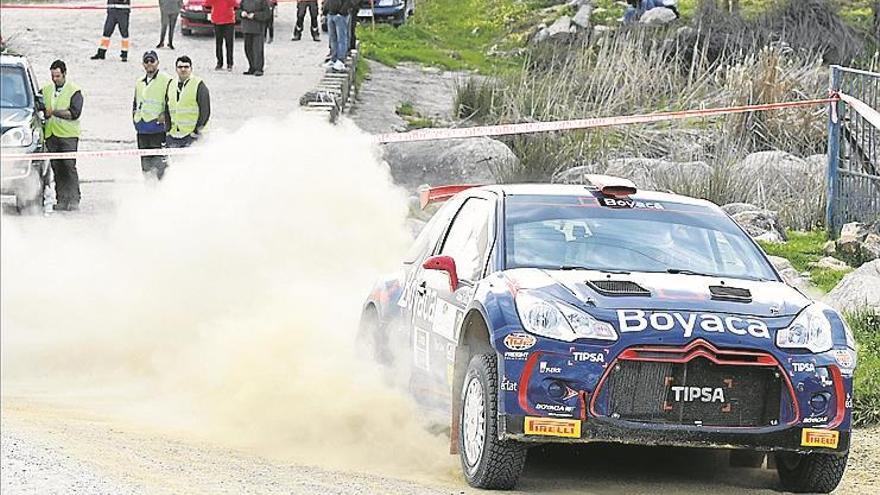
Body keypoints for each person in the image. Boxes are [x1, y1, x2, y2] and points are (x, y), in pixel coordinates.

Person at [41, 60, 83, 211]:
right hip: (51, 135)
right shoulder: (46, 90)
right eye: (53, 76)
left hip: (68, 135)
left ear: (64, 74)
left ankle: (74, 199)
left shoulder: (74, 91)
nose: (55, 79)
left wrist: (54, 112)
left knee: (69, 166)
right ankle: (62, 199)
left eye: (58, 76)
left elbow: (74, 113)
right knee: (57, 167)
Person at [133, 50, 172, 180]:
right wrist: (135, 119)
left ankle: (161, 194)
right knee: (146, 167)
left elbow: (172, 100)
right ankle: (148, 192)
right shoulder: (139, 82)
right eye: (146, 61)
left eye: (152, 61)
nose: (149, 63)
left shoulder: (165, 79)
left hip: (158, 129)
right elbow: (136, 102)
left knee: (161, 167)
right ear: (143, 64)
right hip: (142, 129)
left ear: (157, 63)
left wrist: (165, 116)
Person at [165, 56, 210, 148]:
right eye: (180, 67)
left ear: (191, 69)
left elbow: (205, 111)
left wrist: (196, 131)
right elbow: (167, 108)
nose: (183, 69)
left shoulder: (199, 84)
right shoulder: (171, 84)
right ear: (176, 69)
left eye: (186, 67)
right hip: (174, 135)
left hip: (192, 136)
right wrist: (168, 130)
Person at [240, 0, 271, 76]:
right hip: (246, 28)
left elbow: (267, 14)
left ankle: (258, 69)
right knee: (248, 49)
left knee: (257, 49)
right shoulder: (243, 1)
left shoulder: (262, 1)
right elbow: (238, 10)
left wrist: (255, 15)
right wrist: (241, 13)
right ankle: (252, 67)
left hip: (258, 28)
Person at [206, 0, 236, 71]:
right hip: (218, 19)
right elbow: (207, 3)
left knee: (228, 43)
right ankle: (220, 62)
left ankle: (229, 63)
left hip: (228, 20)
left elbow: (234, 4)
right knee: (219, 43)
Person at [323, 0, 350, 72]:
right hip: (330, 13)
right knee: (333, 39)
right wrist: (325, 11)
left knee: (341, 39)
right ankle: (333, 59)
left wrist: (342, 12)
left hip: (341, 15)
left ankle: (341, 60)